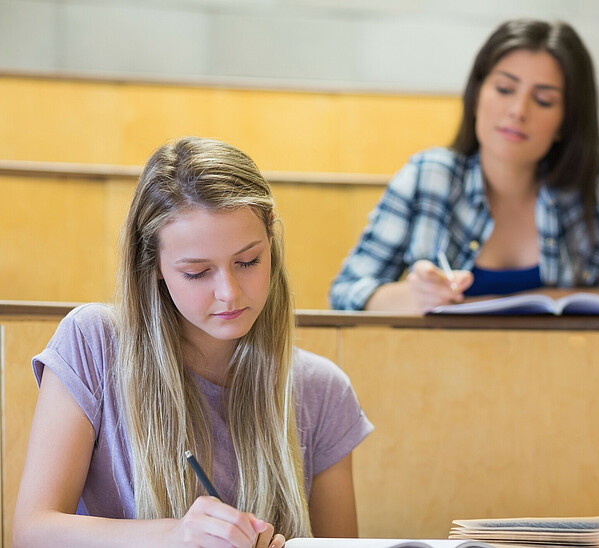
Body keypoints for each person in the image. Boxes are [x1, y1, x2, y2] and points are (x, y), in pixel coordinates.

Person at [13, 137, 373, 547]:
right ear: (154, 265)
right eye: (198, 272)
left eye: (248, 261)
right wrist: (176, 535)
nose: (230, 293)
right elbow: (32, 532)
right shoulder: (92, 342)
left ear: (271, 236)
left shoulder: (322, 390)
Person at [329, 19, 599, 318]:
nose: (518, 111)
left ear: (566, 122)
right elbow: (345, 292)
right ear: (477, 96)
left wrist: (568, 297)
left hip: (568, 386)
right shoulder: (429, 176)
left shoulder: (594, 187)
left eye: (543, 100)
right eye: (505, 89)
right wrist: (412, 296)